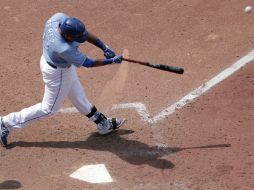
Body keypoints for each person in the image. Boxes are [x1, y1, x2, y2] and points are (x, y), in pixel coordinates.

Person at [0, 12, 127, 147]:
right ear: (66, 36)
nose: (80, 38)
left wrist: (105, 47)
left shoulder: (58, 18)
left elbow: (84, 33)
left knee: (78, 96)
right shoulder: (63, 48)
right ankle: (6, 123)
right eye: (76, 37)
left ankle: (102, 123)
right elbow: (88, 63)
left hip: (57, 64)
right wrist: (110, 61)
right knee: (48, 109)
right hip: (57, 73)